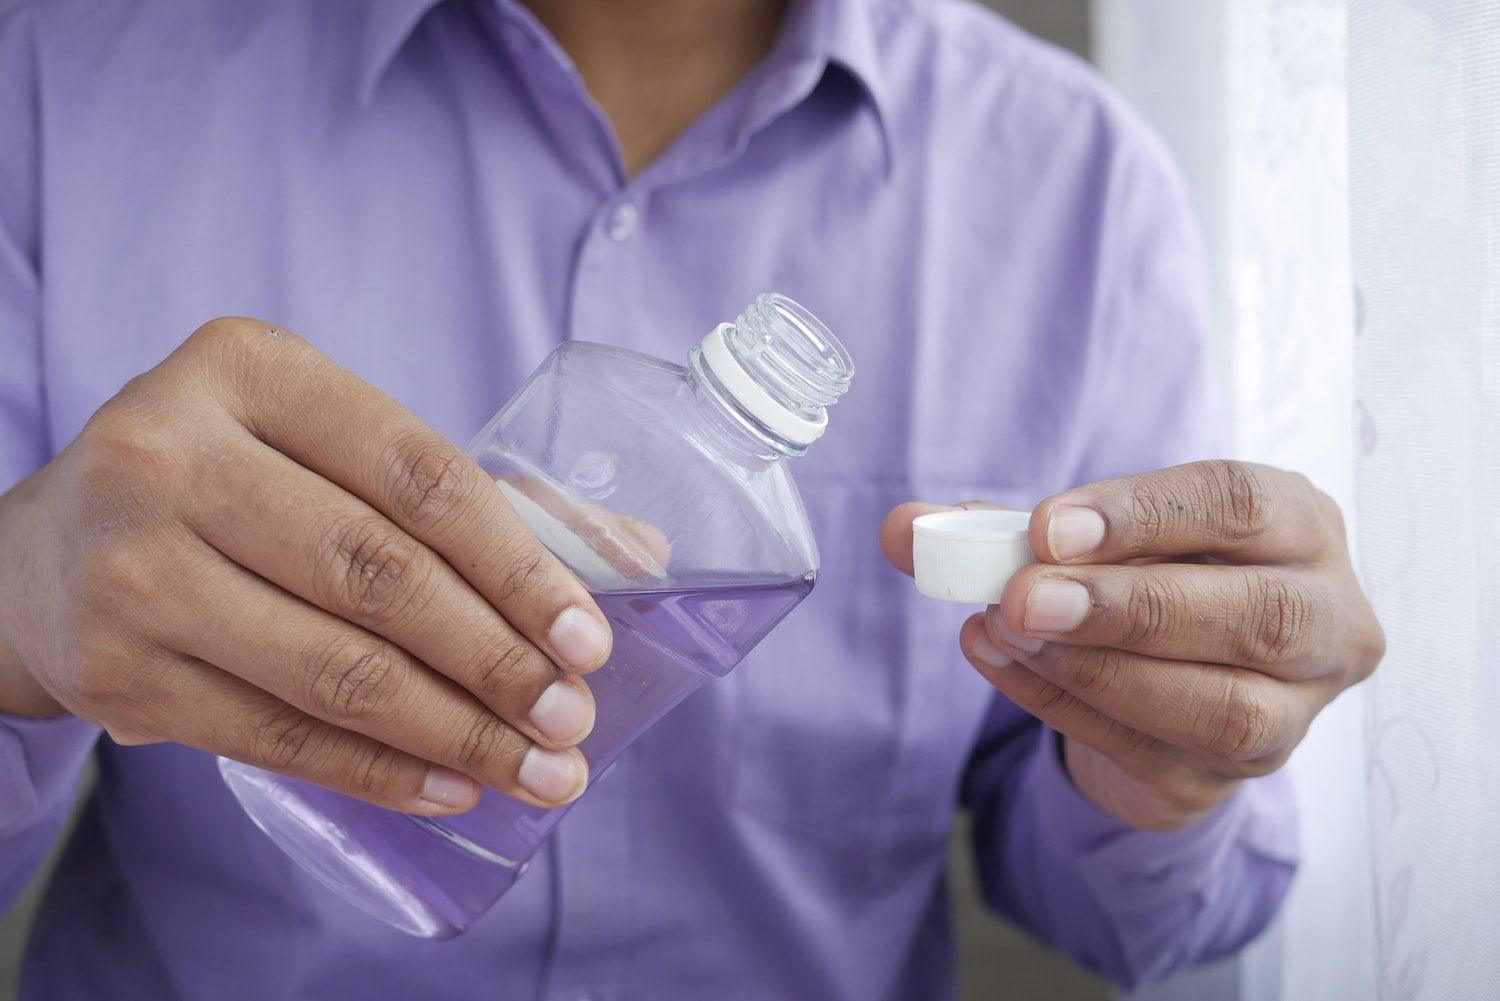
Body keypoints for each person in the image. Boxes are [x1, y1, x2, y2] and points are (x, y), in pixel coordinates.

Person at [0, 0, 1383, 998]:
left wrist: (1162, 760)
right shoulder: (59, 70)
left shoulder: (1076, 188)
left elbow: (1133, 921)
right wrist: (15, 620)